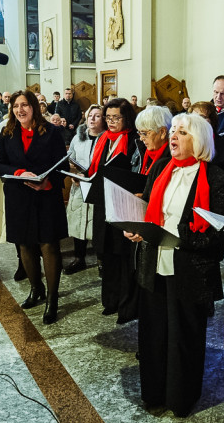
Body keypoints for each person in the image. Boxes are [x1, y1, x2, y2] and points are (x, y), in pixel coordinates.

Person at [126, 113, 224, 416]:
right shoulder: (161, 167)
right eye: (172, 131)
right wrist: (139, 228)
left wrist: (173, 234)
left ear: (198, 140)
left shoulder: (216, 179)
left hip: (189, 269)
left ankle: (181, 398)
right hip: (155, 261)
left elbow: (216, 235)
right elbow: (149, 209)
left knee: (184, 336)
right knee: (154, 331)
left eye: (182, 132)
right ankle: (154, 392)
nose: (173, 136)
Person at [0, 90, 68, 324]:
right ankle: (36, 289)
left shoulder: (52, 132)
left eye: (24, 105)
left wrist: (47, 181)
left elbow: (60, 163)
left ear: (34, 107)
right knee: (24, 244)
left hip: (46, 196)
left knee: (49, 245)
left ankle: (52, 299)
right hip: (18, 196)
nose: (20, 110)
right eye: (16, 106)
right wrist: (17, 172)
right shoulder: (7, 132)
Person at [89, 98, 138, 319]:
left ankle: (125, 305)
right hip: (103, 203)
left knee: (123, 256)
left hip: (123, 203)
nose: (110, 122)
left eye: (116, 118)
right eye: (107, 117)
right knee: (106, 253)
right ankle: (110, 300)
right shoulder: (102, 139)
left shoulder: (133, 141)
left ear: (126, 118)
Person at [64, 105, 104, 275]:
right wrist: (74, 174)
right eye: (90, 116)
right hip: (80, 186)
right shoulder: (78, 138)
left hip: (99, 188)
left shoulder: (107, 139)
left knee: (98, 224)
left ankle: (102, 261)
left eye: (97, 116)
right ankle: (79, 258)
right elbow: (70, 158)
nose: (92, 119)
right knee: (79, 222)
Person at [134, 105, 174, 177]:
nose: (141, 138)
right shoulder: (141, 151)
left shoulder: (171, 160)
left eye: (144, 133)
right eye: (139, 133)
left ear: (162, 132)